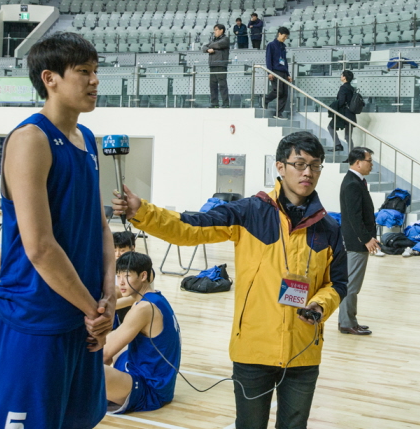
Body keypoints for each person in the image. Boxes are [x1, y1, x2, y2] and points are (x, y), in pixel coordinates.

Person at [111, 131, 347, 429]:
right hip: (253, 351)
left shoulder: (328, 228)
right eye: (299, 163)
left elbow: (338, 284)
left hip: (304, 353)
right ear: (280, 166)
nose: (308, 172)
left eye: (315, 165)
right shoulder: (250, 212)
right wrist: (142, 211)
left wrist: (318, 306)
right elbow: (190, 227)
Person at [0, 32, 116, 429]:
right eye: (83, 72)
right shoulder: (30, 140)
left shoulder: (87, 139)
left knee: (78, 421)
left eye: (95, 72)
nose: (95, 81)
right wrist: (91, 307)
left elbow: (101, 226)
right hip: (38, 322)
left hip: (84, 319)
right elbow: (40, 246)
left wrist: (107, 297)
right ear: (50, 78)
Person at [105, 251, 181, 414]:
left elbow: (105, 353)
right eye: (118, 277)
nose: (121, 282)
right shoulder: (156, 298)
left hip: (150, 389)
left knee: (88, 367)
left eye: (127, 276)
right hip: (151, 376)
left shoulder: (144, 308)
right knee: (113, 350)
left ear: (143, 275)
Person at [338, 147, 379, 336]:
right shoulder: (352, 184)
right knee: (351, 285)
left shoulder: (357, 181)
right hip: (356, 242)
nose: (371, 164)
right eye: (369, 160)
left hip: (359, 240)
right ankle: (347, 323)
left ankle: (350, 320)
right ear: (358, 163)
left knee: (353, 284)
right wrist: (366, 239)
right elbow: (354, 217)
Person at [264, 26, 292, 120]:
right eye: (284, 36)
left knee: (285, 93)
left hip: (283, 71)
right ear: (279, 34)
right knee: (278, 91)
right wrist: (269, 72)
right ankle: (266, 99)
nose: (285, 38)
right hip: (275, 71)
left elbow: (285, 61)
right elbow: (268, 59)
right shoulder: (271, 45)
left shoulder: (283, 47)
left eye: (286, 37)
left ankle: (278, 113)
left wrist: (288, 74)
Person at [328, 70, 356, 152]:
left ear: (344, 77)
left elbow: (341, 101)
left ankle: (338, 145)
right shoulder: (352, 88)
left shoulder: (343, 88)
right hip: (351, 114)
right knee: (348, 136)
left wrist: (333, 106)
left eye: (342, 75)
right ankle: (351, 157)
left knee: (330, 127)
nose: (341, 77)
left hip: (343, 114)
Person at [203, 24, 230, 109]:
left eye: (216, 29)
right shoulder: (213, 40)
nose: (215, 31)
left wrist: (209, 46)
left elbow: (218, 45)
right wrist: (207, 49)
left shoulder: (226, 39)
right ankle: (214, 103)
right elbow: (203, 47)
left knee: (222, 85)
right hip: (212, 65)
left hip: (221, 64)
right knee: (213, 86)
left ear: (221, 30)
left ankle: (226, 104)